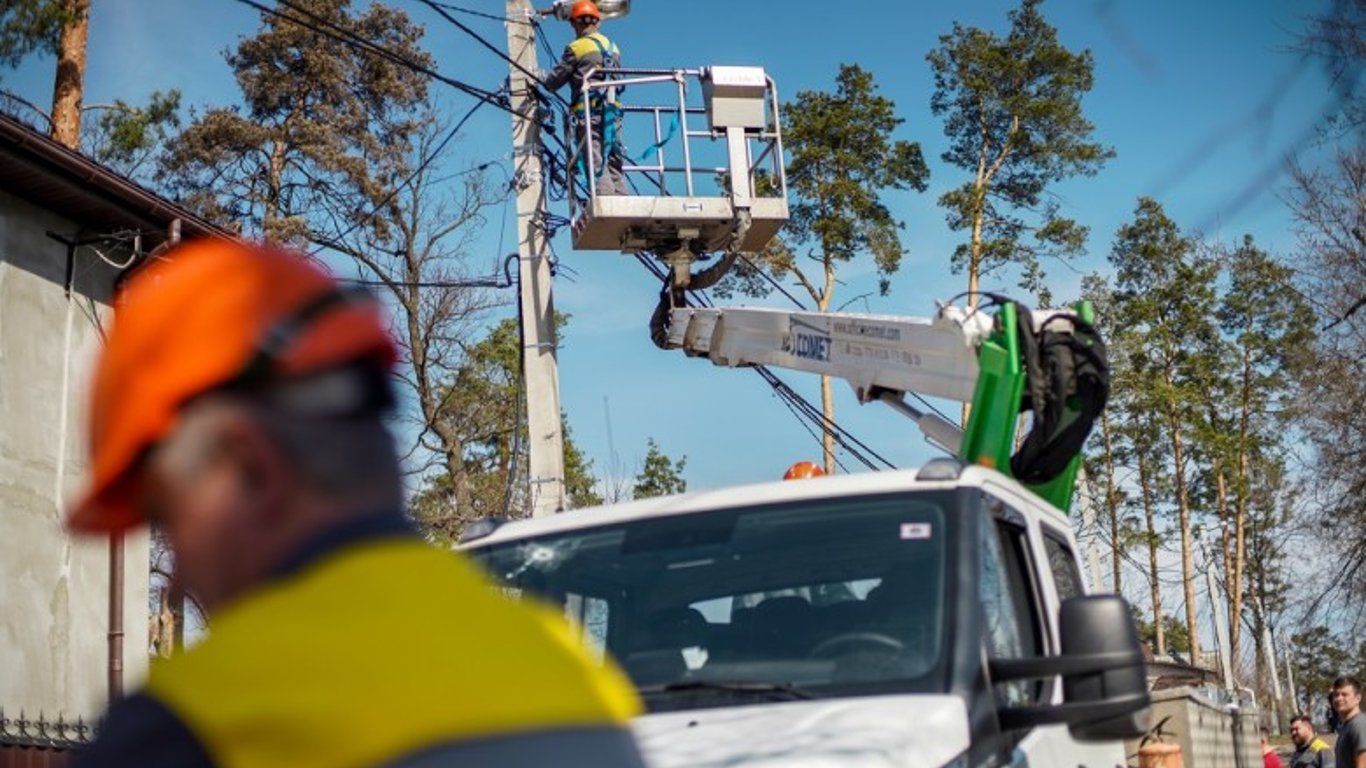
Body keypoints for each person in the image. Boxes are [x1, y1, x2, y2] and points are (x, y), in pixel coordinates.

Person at [68, 239, 647, 767]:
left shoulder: (194, 728)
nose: (174, 577)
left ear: (250, 467)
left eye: (168, 518)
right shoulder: (572, 671)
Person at [543, 0, 629, 196]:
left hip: (589, 114)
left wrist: (540, 78)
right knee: (614, 162)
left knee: (595, 159)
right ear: (597, 22)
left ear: (575, 23)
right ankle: (623, 202)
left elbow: (554, 81)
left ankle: (606, 202)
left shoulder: (577, 47)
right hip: (613, 114)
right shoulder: (613, 47)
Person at [1333, 676, 1366, 768]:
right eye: (1336, 695)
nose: (1339, 698)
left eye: (1344, 694)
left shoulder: (1359, 724)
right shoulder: (1346, 727)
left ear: (1358, 698)